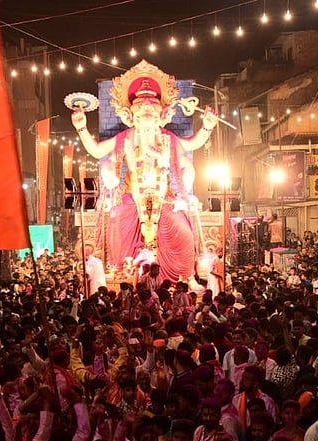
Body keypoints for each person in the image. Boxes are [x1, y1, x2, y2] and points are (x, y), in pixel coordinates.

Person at [71, 60, 217, 282]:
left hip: (164, 197)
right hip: (133, 197)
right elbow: (97, 151)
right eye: (141, 115)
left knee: (184, 234)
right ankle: (122, 276)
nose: (147, 119)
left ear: (162, 115)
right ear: (131, 116)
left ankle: (184, 277)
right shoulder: (126, 138)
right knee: (118, 224)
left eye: (152, 114)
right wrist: (81, 127)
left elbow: (192, 145)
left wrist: (207, 125)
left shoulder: (168, 138)